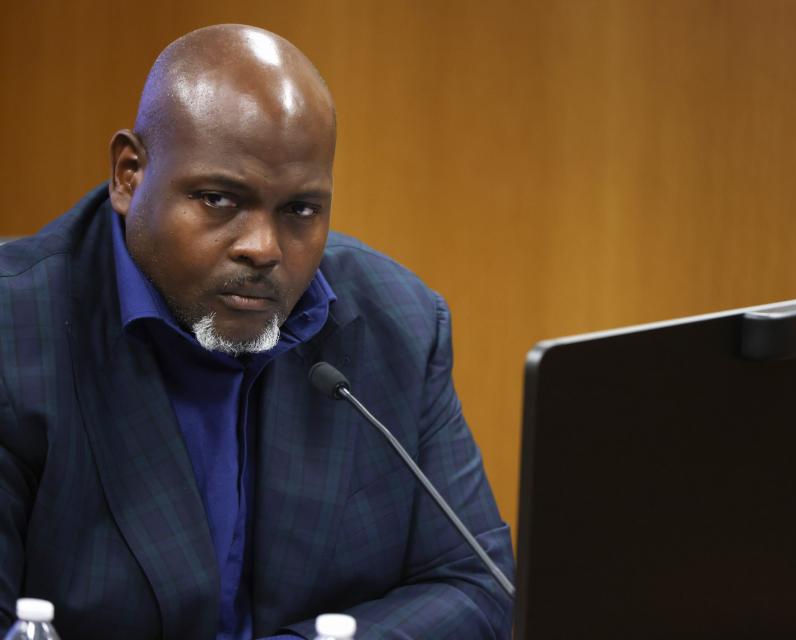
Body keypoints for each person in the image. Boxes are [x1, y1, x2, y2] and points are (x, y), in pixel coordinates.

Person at [0, 24, 514, 639]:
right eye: (219, 199)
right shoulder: (16, 331)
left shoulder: (396, 324)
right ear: (130, 174)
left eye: (300, 210)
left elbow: (477, 585)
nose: (263, 248)